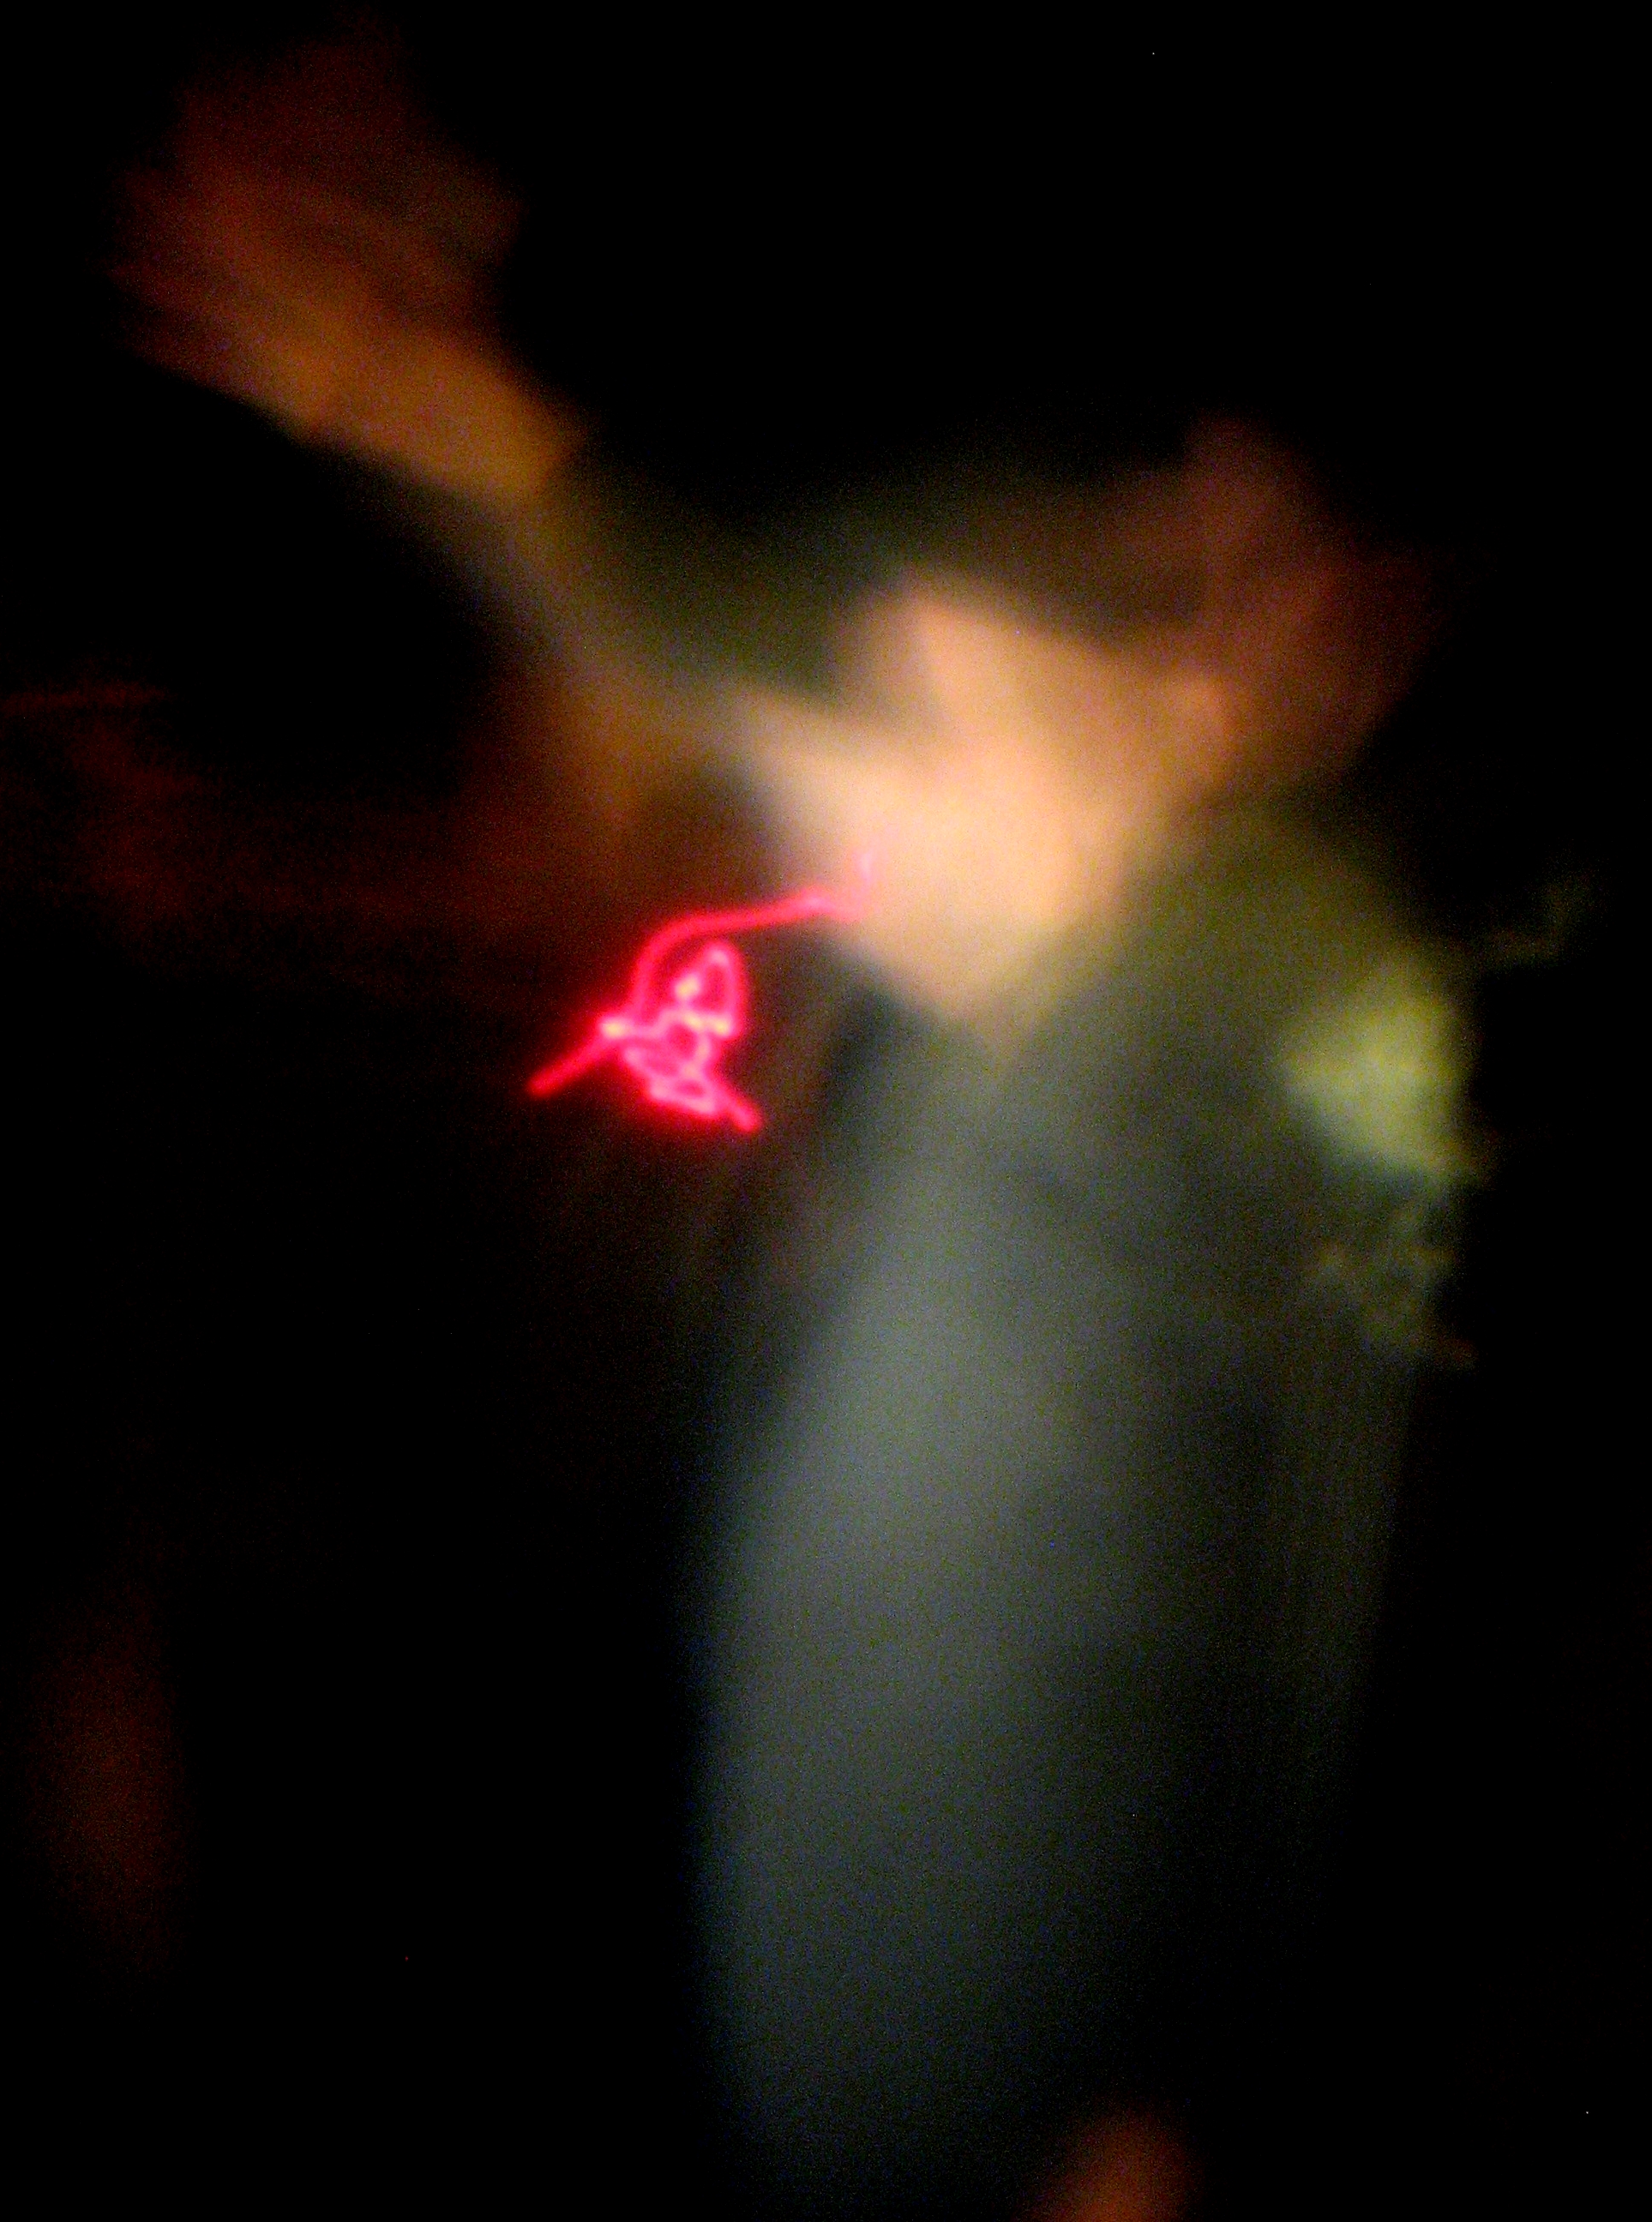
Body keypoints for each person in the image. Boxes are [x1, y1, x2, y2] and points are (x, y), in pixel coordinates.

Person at [116, 39, 1475, 2218]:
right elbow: (731, 671)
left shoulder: (1240, 1019)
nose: (859, 752)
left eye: (953, 685)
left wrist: (1128, 2122)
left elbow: (1253, 1635)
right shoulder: (1011, 1015)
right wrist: (436, 409)